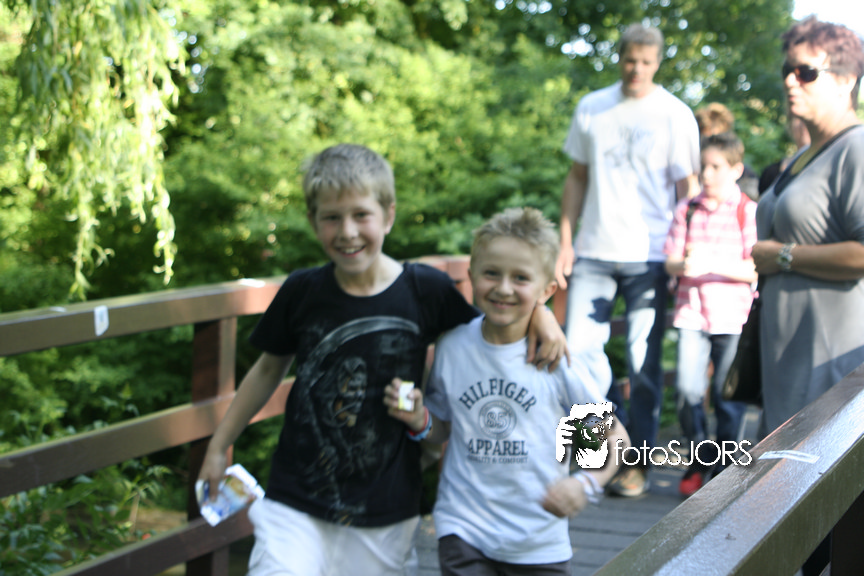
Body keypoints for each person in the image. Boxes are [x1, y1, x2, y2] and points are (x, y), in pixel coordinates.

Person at [196, 144, 567, 576]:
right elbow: (265, 371)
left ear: (388, 215)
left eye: (361, 215)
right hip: (295, 499)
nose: (347, 232)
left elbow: (491, 329)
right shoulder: (303, 291)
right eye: (331, 218)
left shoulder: (424, 290)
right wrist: (218, 446)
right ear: (313, 221)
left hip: (387, 507)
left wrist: (540, 312)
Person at [386, 207, 630, 575]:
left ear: (547, 289)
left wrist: (585, 484)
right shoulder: (453, 347)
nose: (503, 288)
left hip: (538, 540)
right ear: (471, 275)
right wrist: (420, 419)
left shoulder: (555, 361)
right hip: (463, 527)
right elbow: (443, 427)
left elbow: (616, 439)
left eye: (520, 278)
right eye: (491, 273)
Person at [555, 23, 701, 497]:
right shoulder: (592, 107)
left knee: (643, 363)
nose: (636, 69)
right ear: (618, 58)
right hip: (594, 251)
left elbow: (689, 189)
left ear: (657, 62)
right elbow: (577, 177)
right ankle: (595, 458)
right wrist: (565, 240)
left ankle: (636, 464)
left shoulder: (675, 114)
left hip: (651, 255)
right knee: (580, 356)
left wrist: (685, 247)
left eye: (645, 61)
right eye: (629, 59)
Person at [750, 17, 864, 576]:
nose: (790, 81)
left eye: (806, 71)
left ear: (846, 79)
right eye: (787, 70)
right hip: (785, 367)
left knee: (825, 528)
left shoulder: (856, 149)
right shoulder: (802, 155)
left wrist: (784, 256)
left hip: (830, 370)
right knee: (785, 519)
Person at [663, 132, 757, 496]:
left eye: (716, 167)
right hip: (692, 313)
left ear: (736, 170)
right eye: (704, 166)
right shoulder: (687, 208)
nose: (707, 174)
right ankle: (699, 456)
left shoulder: (747, 210)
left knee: (726, 398)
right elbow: (670, 261)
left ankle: (723, 468)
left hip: (733, 317)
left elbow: (754, 268)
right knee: (687, 391)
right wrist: (684, 264)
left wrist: (712, 262)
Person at [694, 102, 760, 200]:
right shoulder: (692, 170)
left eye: (715, 139)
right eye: (705, 140)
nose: (709, 145)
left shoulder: (747, 177)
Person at [757, 114, 811, 195]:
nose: (804, 124)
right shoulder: (770, 173)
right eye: (799, 118)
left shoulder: (829, 169)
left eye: (808, 117)